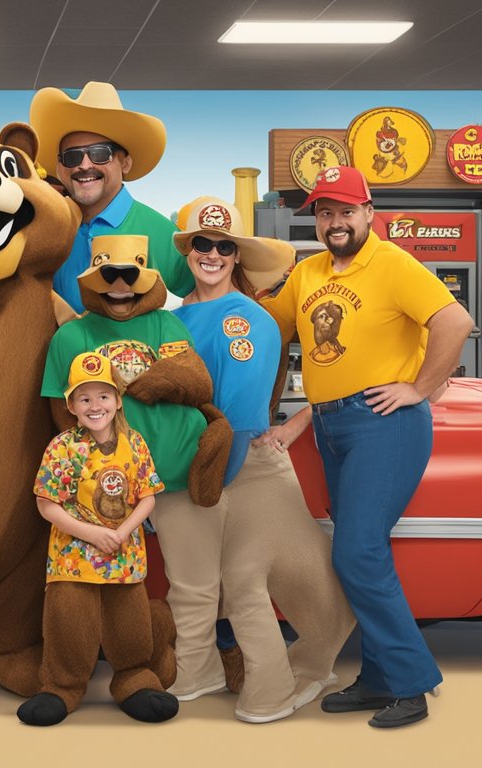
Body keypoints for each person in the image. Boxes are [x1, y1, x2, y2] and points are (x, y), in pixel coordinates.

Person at [260, 166, 474, 728]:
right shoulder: (307, 273)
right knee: (366, 553)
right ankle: (379, 680)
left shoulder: (393, 263)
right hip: (332, 425)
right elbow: (265, 329)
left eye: (345, 211)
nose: (335, 222)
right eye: (325, 213)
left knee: (355, 552)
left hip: (385, 424)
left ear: (368, 213)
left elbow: (455, 320)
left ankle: (411, 683)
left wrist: (419, 388)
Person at [165, 197, 354, 723]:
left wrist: (210, 478)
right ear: (189, 251)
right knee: (198, 582)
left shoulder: (246, 320)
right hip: (192, 468)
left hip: (236, 465)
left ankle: (273, 687)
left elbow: (240, 411)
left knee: (244, 577)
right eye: (202, 243)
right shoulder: (175, 316)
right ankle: (197, 670)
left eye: (225, 247)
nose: (212, 254)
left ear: (236, 258)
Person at [18, 351, 176, 726]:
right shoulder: (62, 447)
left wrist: (121, 532)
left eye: (103, 396)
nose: (95, 406)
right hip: (73, 561)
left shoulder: (134, 443)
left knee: (130, 628)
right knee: (69, 626)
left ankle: (135, 677)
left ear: (118, 399)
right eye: (84, 398)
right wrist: (92, 534)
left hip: (125, 560)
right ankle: (62, 686)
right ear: (71, 405)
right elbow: (47, 504)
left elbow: (148, 495)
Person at [29, 81, 195, 314]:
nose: (84, 165)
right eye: (72, 156)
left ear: (125, 162)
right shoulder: (48, 234)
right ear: (59, 167)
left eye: (100, 154)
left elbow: (198, 310)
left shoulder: (163, 235)